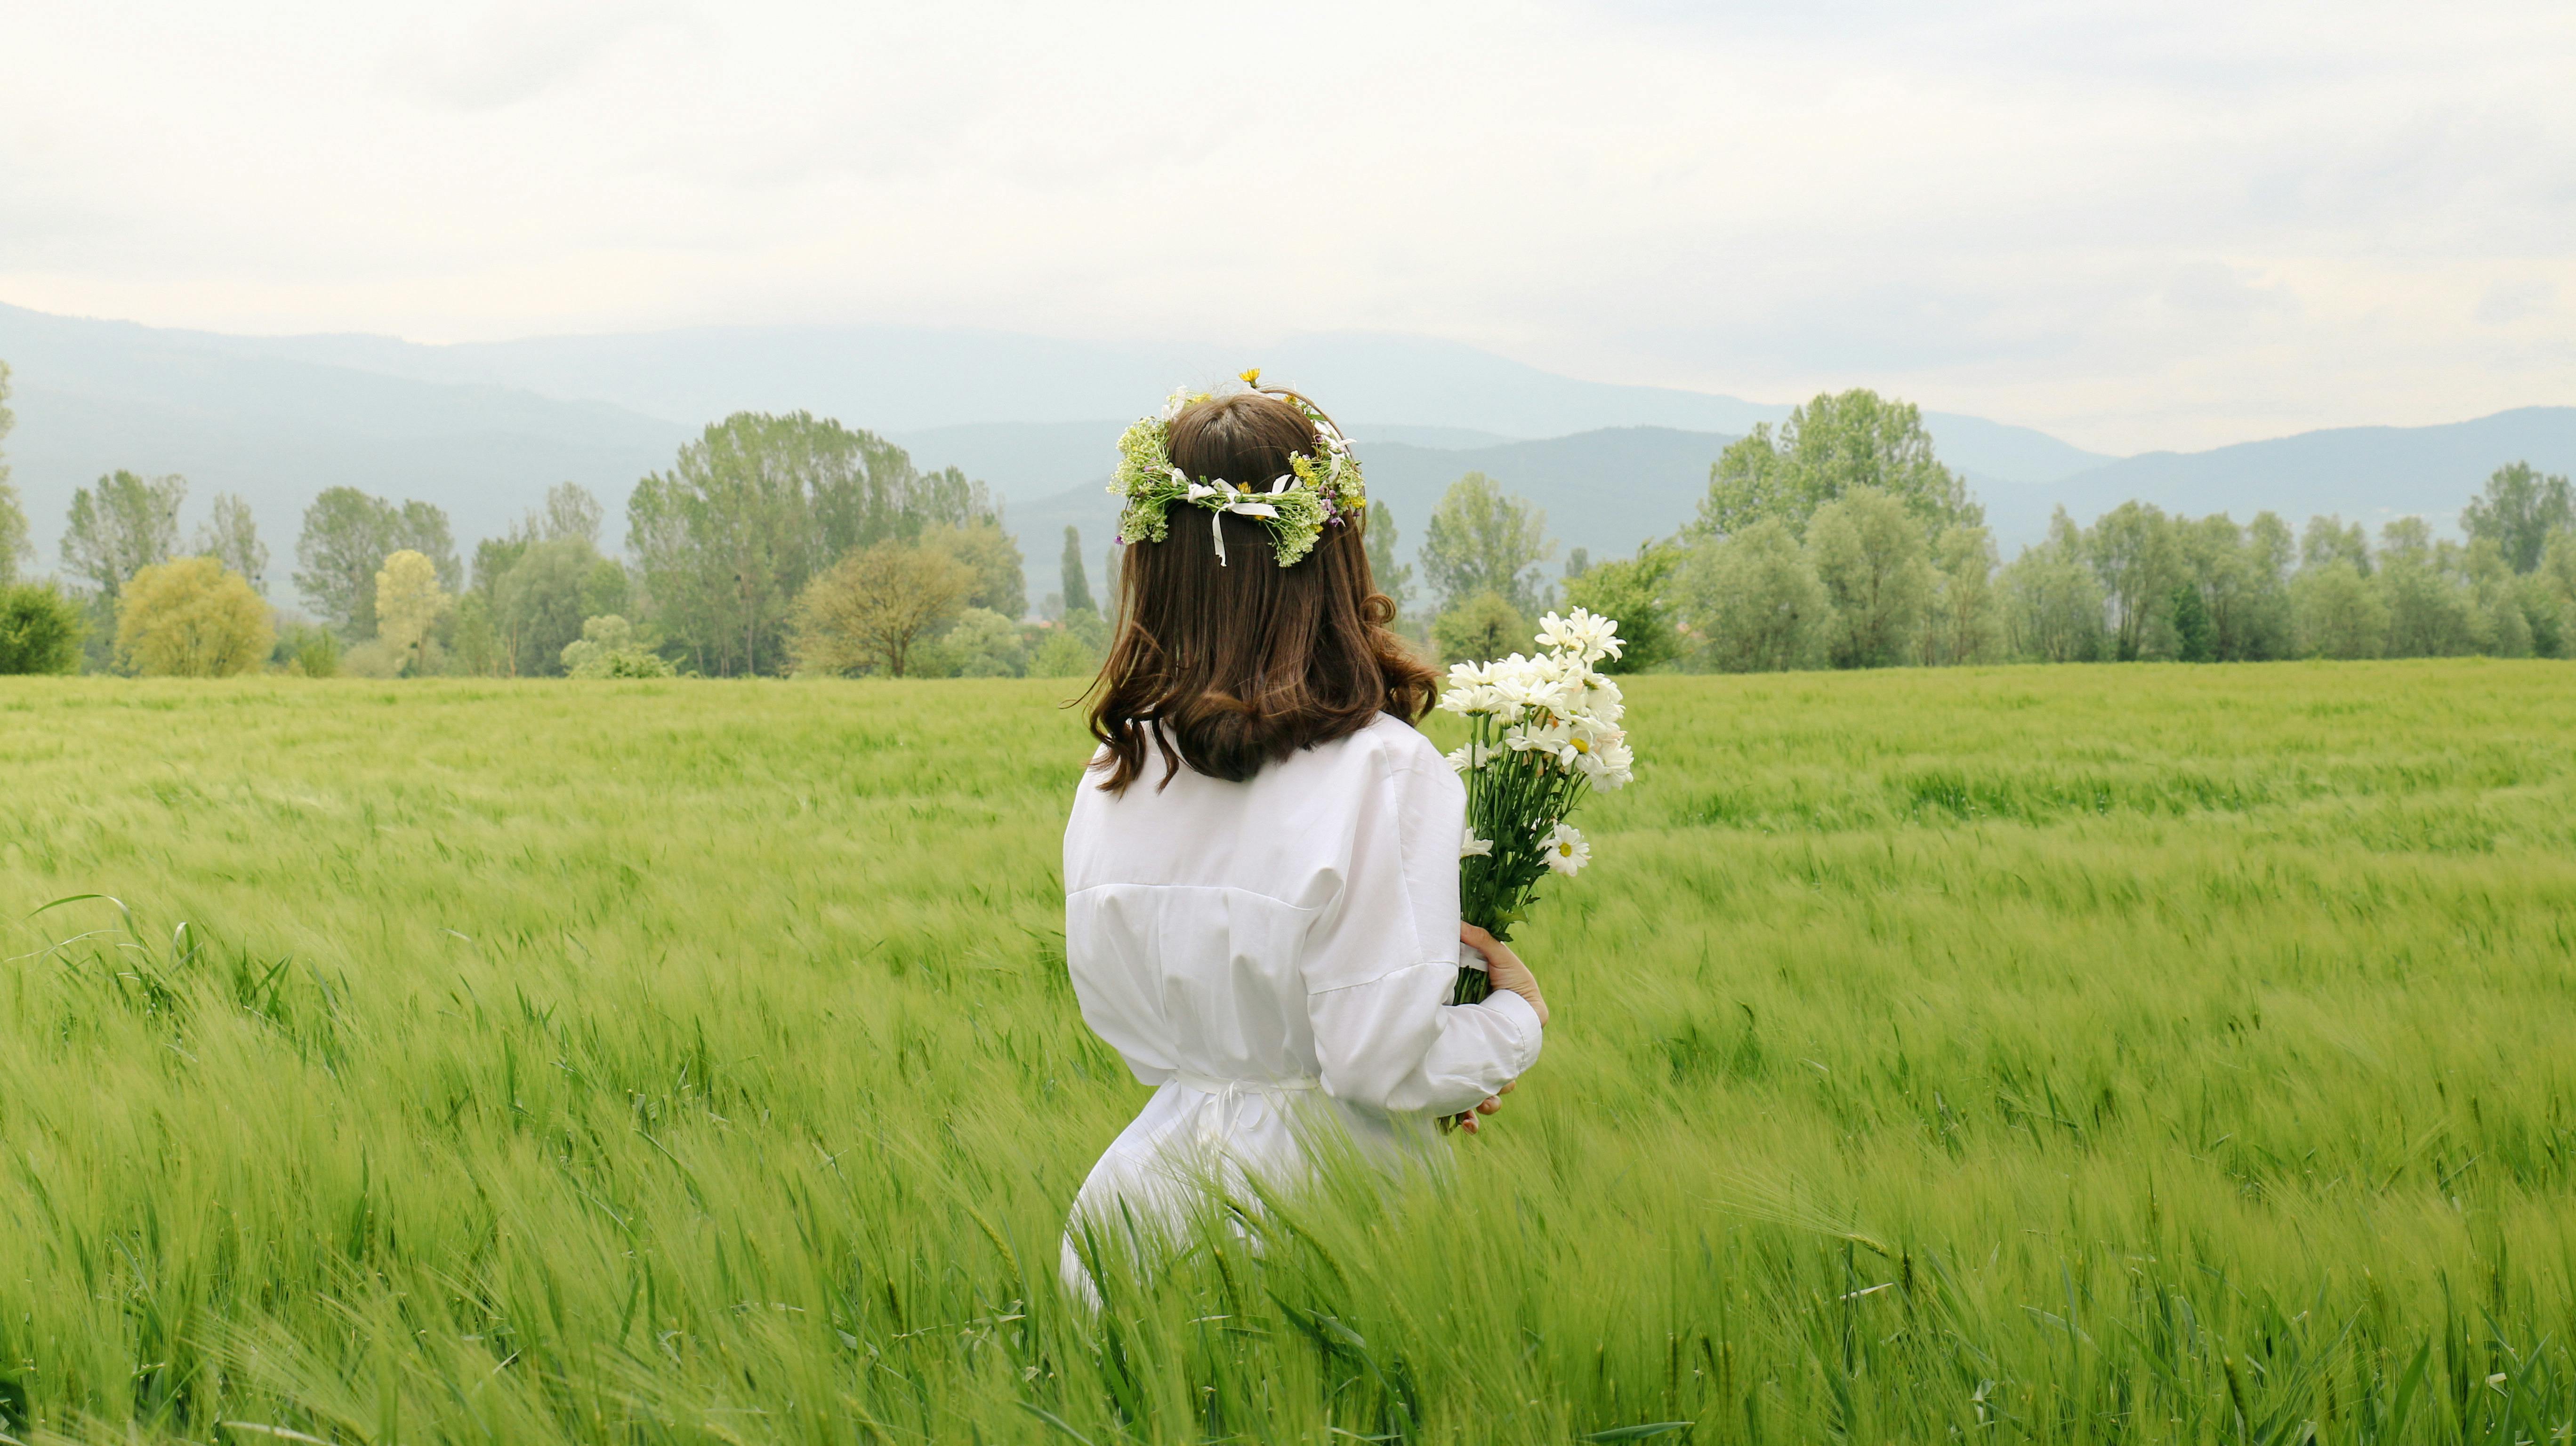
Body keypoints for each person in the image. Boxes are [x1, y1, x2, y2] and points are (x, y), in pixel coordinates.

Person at [1059, 374, 1549, 1297]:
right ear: (1333, 554)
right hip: (1333, 1227)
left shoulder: (1116, 769)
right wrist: (1509, 1023)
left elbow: (1143, 1046)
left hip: (1132, 1228)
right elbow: (1376, 1065)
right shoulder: (1383, 769)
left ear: (1151, 562)